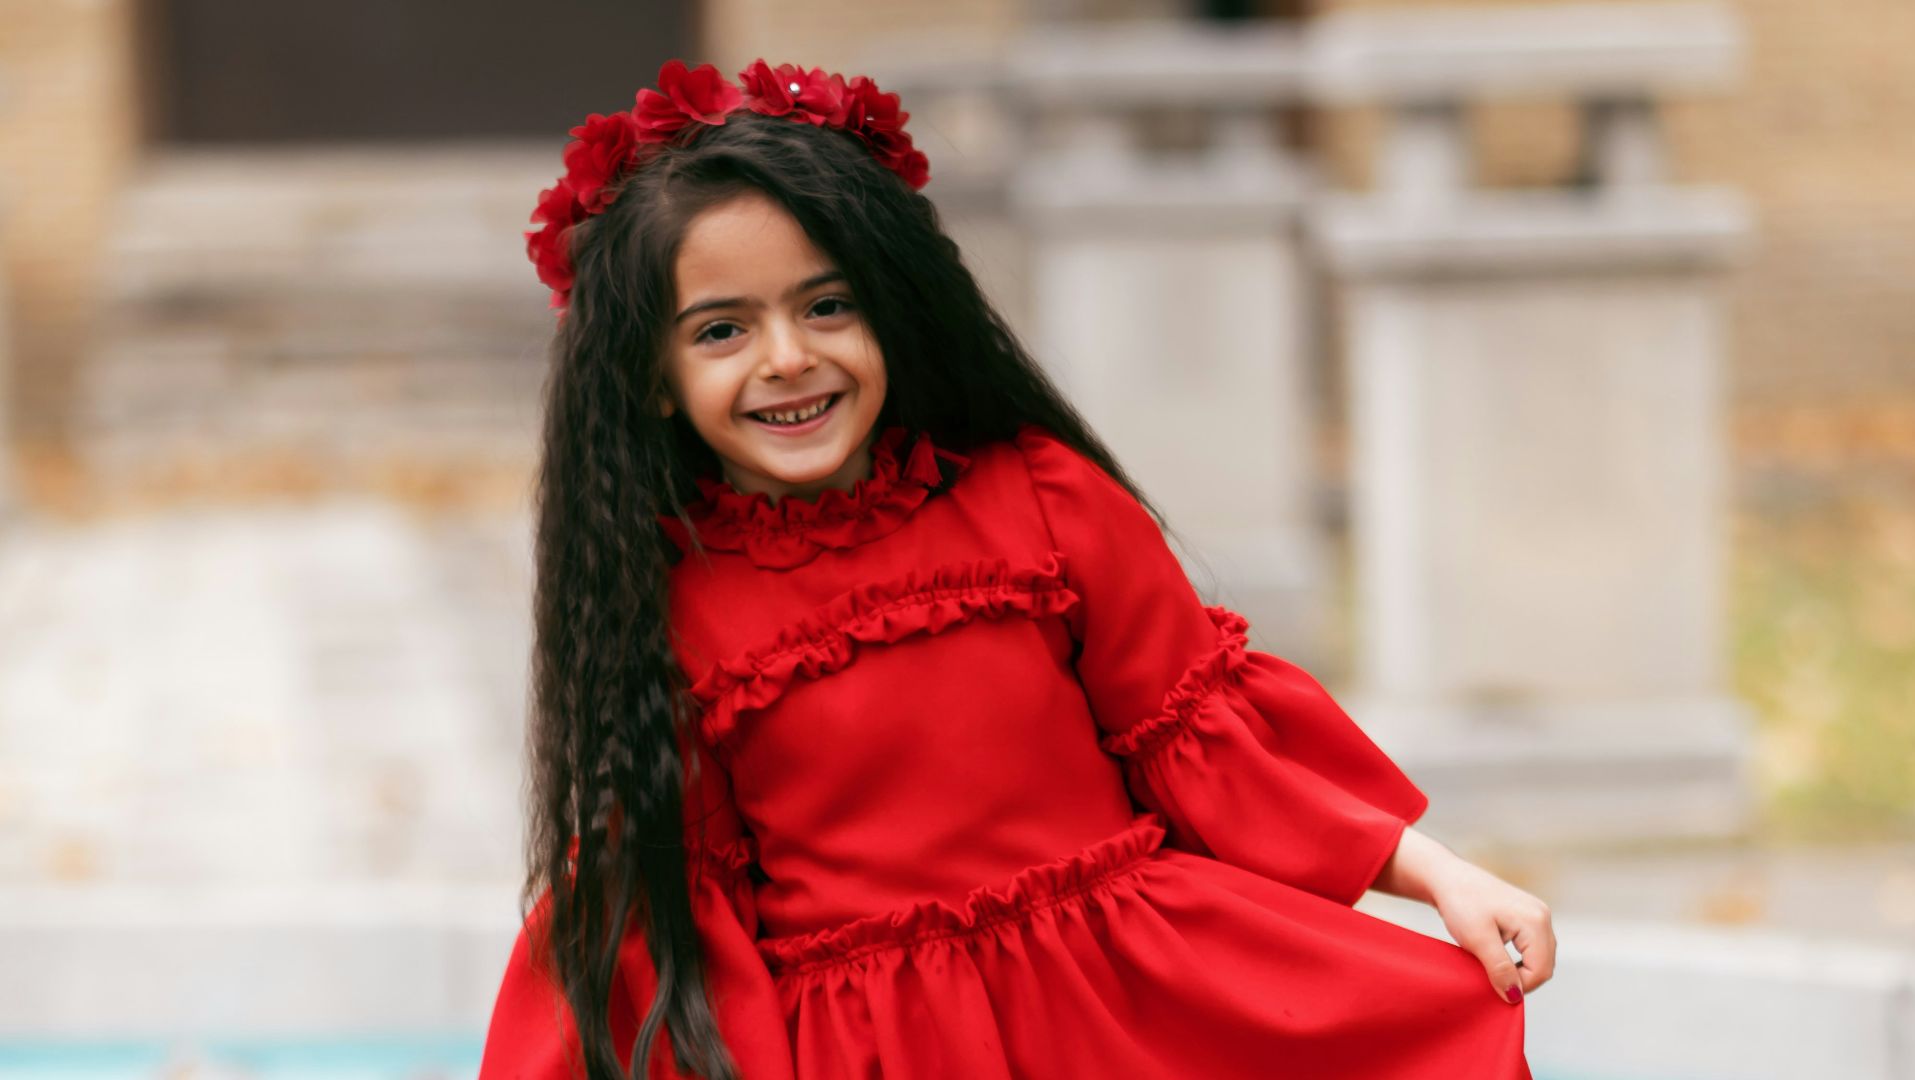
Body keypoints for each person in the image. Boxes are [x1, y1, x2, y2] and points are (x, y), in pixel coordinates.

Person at [479, 58, 1553, 1080]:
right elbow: (678, 933)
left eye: (828, 305)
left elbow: (1217, 750)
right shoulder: (670, 614)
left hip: (1133, 1010)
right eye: (722, 330)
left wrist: (1439, 876)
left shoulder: (1043, 499)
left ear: (896, 307)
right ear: (653, 378)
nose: (789, 357)